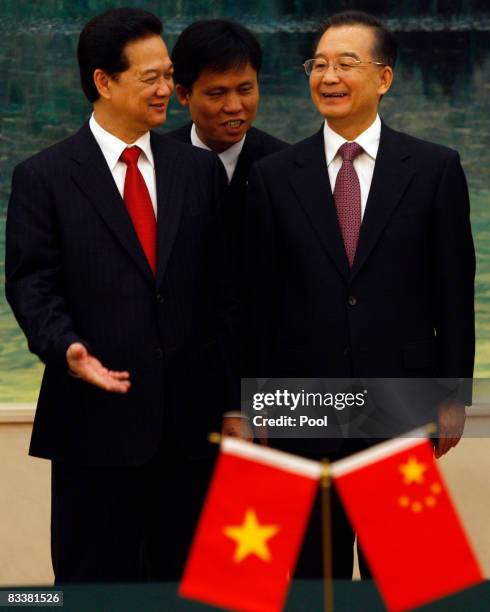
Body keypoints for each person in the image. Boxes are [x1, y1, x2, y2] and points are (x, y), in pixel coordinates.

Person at [5, 8, 238, 583]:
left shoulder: (199, 171)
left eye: (169, 75)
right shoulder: (45, 177)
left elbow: (226, 296)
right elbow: (31, 286)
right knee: (92, 591)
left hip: (192, 434)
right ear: (103, 82)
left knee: (194, 589)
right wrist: (67, 350)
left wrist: (236, 402)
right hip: (93, 429)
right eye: (151, 78)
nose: (168, 90)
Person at [242, 10, 475, 578]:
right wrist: (252, 401)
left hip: (399, 404)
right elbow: (256, 301)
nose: (328, 77)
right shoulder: (275, 175)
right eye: (317, 65)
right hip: (298, 409)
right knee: (305, 579)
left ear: (384, 78)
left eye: (346, 64)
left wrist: (453, 394)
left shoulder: (434, 168)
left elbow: (453, 288)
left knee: (403, 578)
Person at [166, 18, 288, 242]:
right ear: (184, 95)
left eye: (245, 90)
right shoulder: (158, 163)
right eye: (217, 94)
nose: (234, 106)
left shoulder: (284, 167)